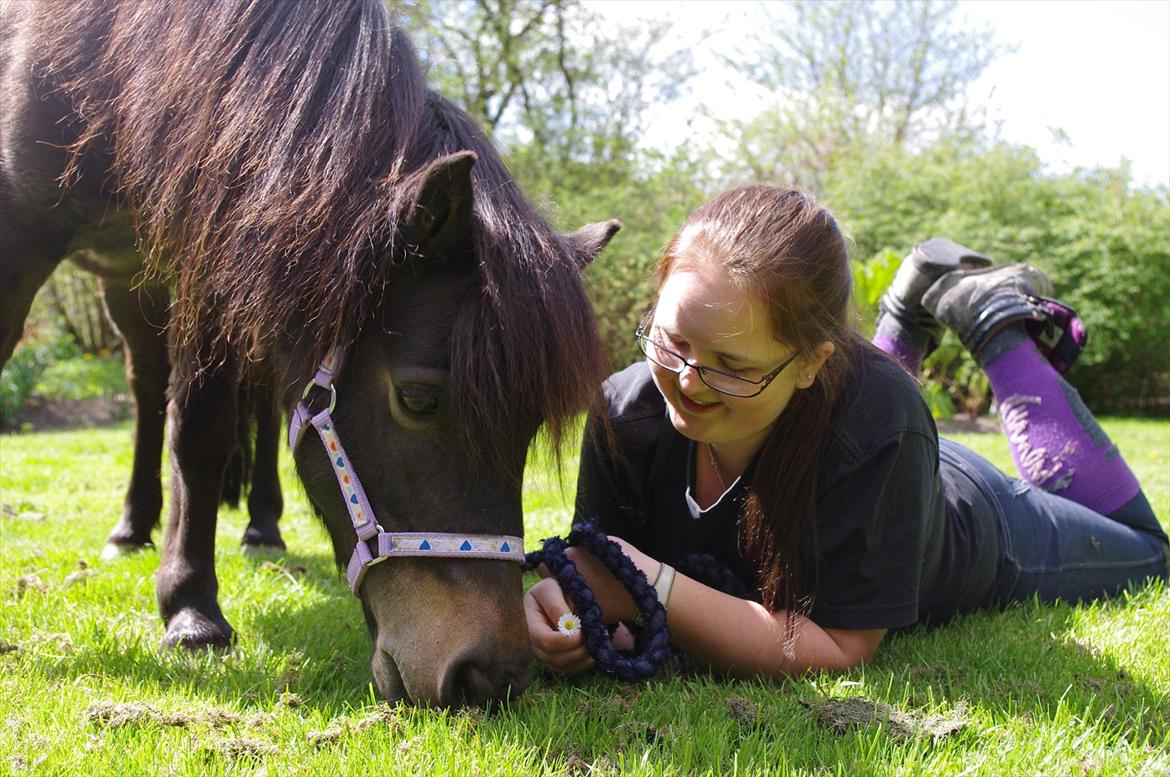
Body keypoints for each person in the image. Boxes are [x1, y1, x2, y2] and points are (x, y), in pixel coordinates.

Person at [523, 185, 1169, 678]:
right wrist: (563, 606)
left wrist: (648, 583)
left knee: (1149, 552)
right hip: (874, 454)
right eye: (673, 340)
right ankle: (907, 310)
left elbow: (836, 645)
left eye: (733, 367)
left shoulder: (877, 419)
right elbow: (594, 572)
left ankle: (996, 322)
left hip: (977, 519)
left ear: (809, 363)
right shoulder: (624, 409)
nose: (689, 379)